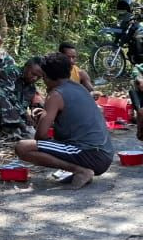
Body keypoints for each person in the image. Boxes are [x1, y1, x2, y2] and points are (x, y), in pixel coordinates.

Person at [15, 53, 114, 190]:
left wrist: (43, 119)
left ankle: (81, 170)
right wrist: (46, 116)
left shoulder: (56, 94)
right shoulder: (79, 88)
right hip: (104, 155)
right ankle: (80, 170)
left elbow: (41, 136)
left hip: (89, 154)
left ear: (46, 76)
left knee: (23, 147)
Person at [17, 57, 45, 127]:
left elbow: (36, 104)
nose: (35, 78)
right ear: (26, 67)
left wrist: (35, 111)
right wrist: (26, 115)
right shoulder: (10, 74)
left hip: (19, 119)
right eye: (33, 74)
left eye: (38, 77)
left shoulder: (31, 88)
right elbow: (8, 98)